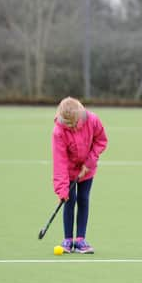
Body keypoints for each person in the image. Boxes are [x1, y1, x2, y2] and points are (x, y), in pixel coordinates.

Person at [52, 96, 108, 254]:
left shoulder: (92, 120)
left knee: (83, 199)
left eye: (74, 123)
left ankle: (80, 240)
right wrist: (62, 190)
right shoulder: (59, 131)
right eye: (69, 124)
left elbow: (101, 141)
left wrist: (89, 162)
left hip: (87, 168)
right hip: (68, 171)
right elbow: (59, 162)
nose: (72, 126)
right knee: (69, 200)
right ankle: (68, 240)